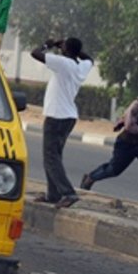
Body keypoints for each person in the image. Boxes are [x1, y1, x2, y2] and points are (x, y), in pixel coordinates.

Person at [31, 37, 94, 207]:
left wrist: (48, 44)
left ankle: (68, 193)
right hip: (68, 117)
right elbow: (89, 59)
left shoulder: (63, 63)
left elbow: (35, 53)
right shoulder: (80, 66)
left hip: (56, 116)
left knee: (51, 158)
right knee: (54, 157)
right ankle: (53, 195)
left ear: (66, 50)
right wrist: (71, 49)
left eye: (64, 45)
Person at [81, 98, 138, 190]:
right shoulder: (135, 106)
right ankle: (91, 178)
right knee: (113, 170)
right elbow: (128, 126)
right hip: (126, 143)